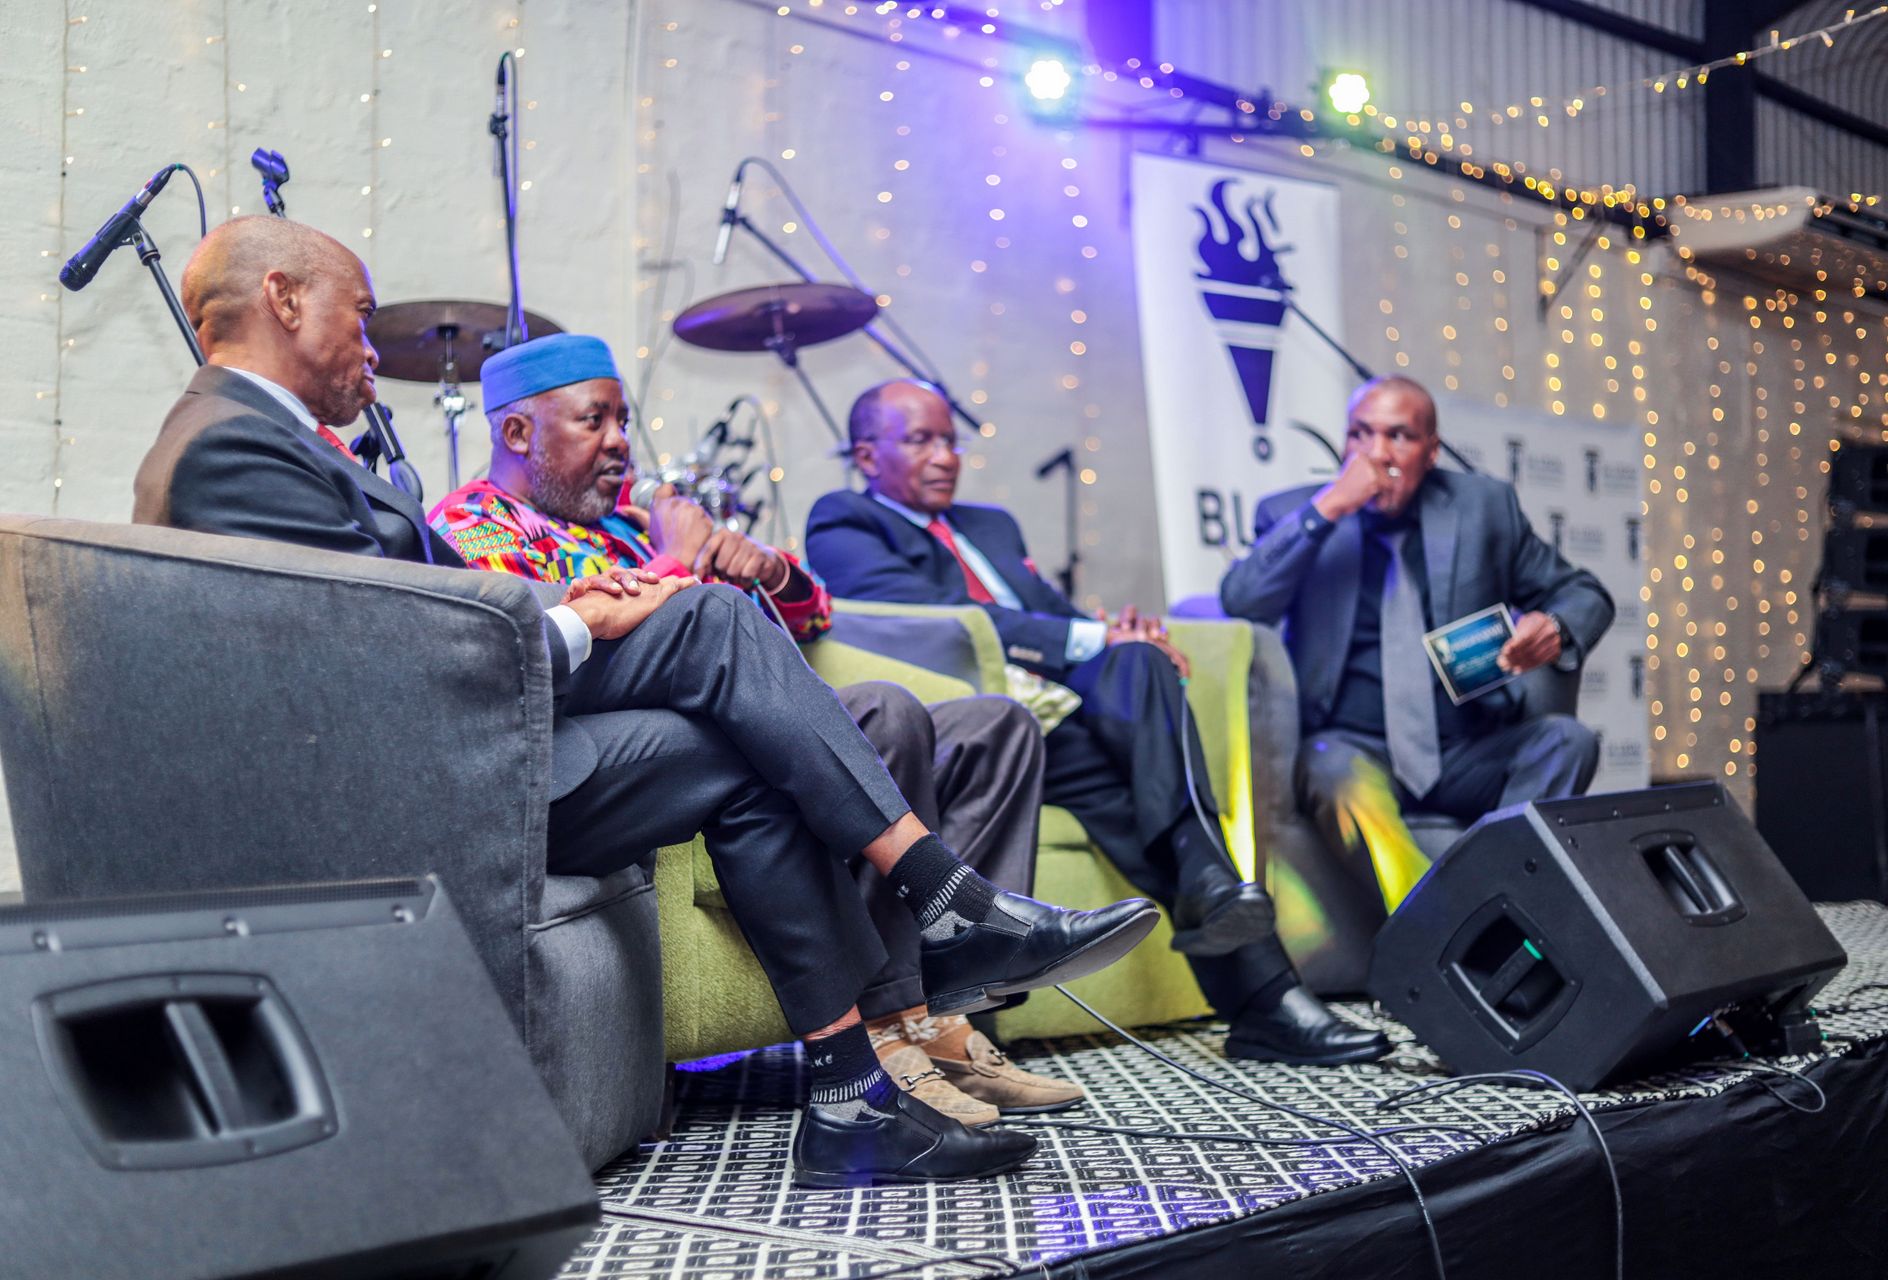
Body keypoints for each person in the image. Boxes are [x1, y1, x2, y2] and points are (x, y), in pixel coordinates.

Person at [131, 216, 1160, 1188]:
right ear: (284, 299)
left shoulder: (265, 440)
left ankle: (854, 1094)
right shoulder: (231, 448)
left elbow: (417, 618)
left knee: (741, 733)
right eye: (359, 314)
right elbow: (385, 655)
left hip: (466, 729)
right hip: (428, 775)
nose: (369, 343)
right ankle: (951, 903)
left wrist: (607, 599)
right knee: (708, 622)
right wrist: (589, 617)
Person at [427, 332, 1081, 1124]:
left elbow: (811, 616)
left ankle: (940, 1011)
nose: (620, 442)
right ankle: (916, 980)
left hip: (751, 715)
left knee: (963, 721)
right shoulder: (469, 529)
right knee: (853, 697)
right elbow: (554, 658)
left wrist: (765, 569)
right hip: (652, 754)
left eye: (623, 421)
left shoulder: (629, 524)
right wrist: (677, 563)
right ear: (517, 432)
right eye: (594, 421)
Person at [806, 379, 1390, 1067]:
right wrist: (1090, 640)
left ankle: (1212, 891)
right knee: (1151, 800)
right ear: (868, 457)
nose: (944, 456)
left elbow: (1058, 614)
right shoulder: (845, 521)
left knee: (1142, 666)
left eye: (949, 440)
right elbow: (942, 619)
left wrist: (1120, 635)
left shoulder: (991, 526)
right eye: (920, 441)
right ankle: (1263, 992)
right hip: (984, 723)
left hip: (1061, 719)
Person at [1219, 375, 1614, 915]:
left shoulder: (1484, 508)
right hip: (1352, 748)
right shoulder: (1296, 512)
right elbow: (1242, 600)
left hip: (1466, 748)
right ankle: (1438, 927)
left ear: (1431, 450)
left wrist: (1555, 624)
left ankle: (1497, 902)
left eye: (1399, 436)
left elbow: (1583, 592)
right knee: (1338, 776)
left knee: (1569, 741)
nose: (1377, 453)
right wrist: (1329, 508)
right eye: (1360, 434)